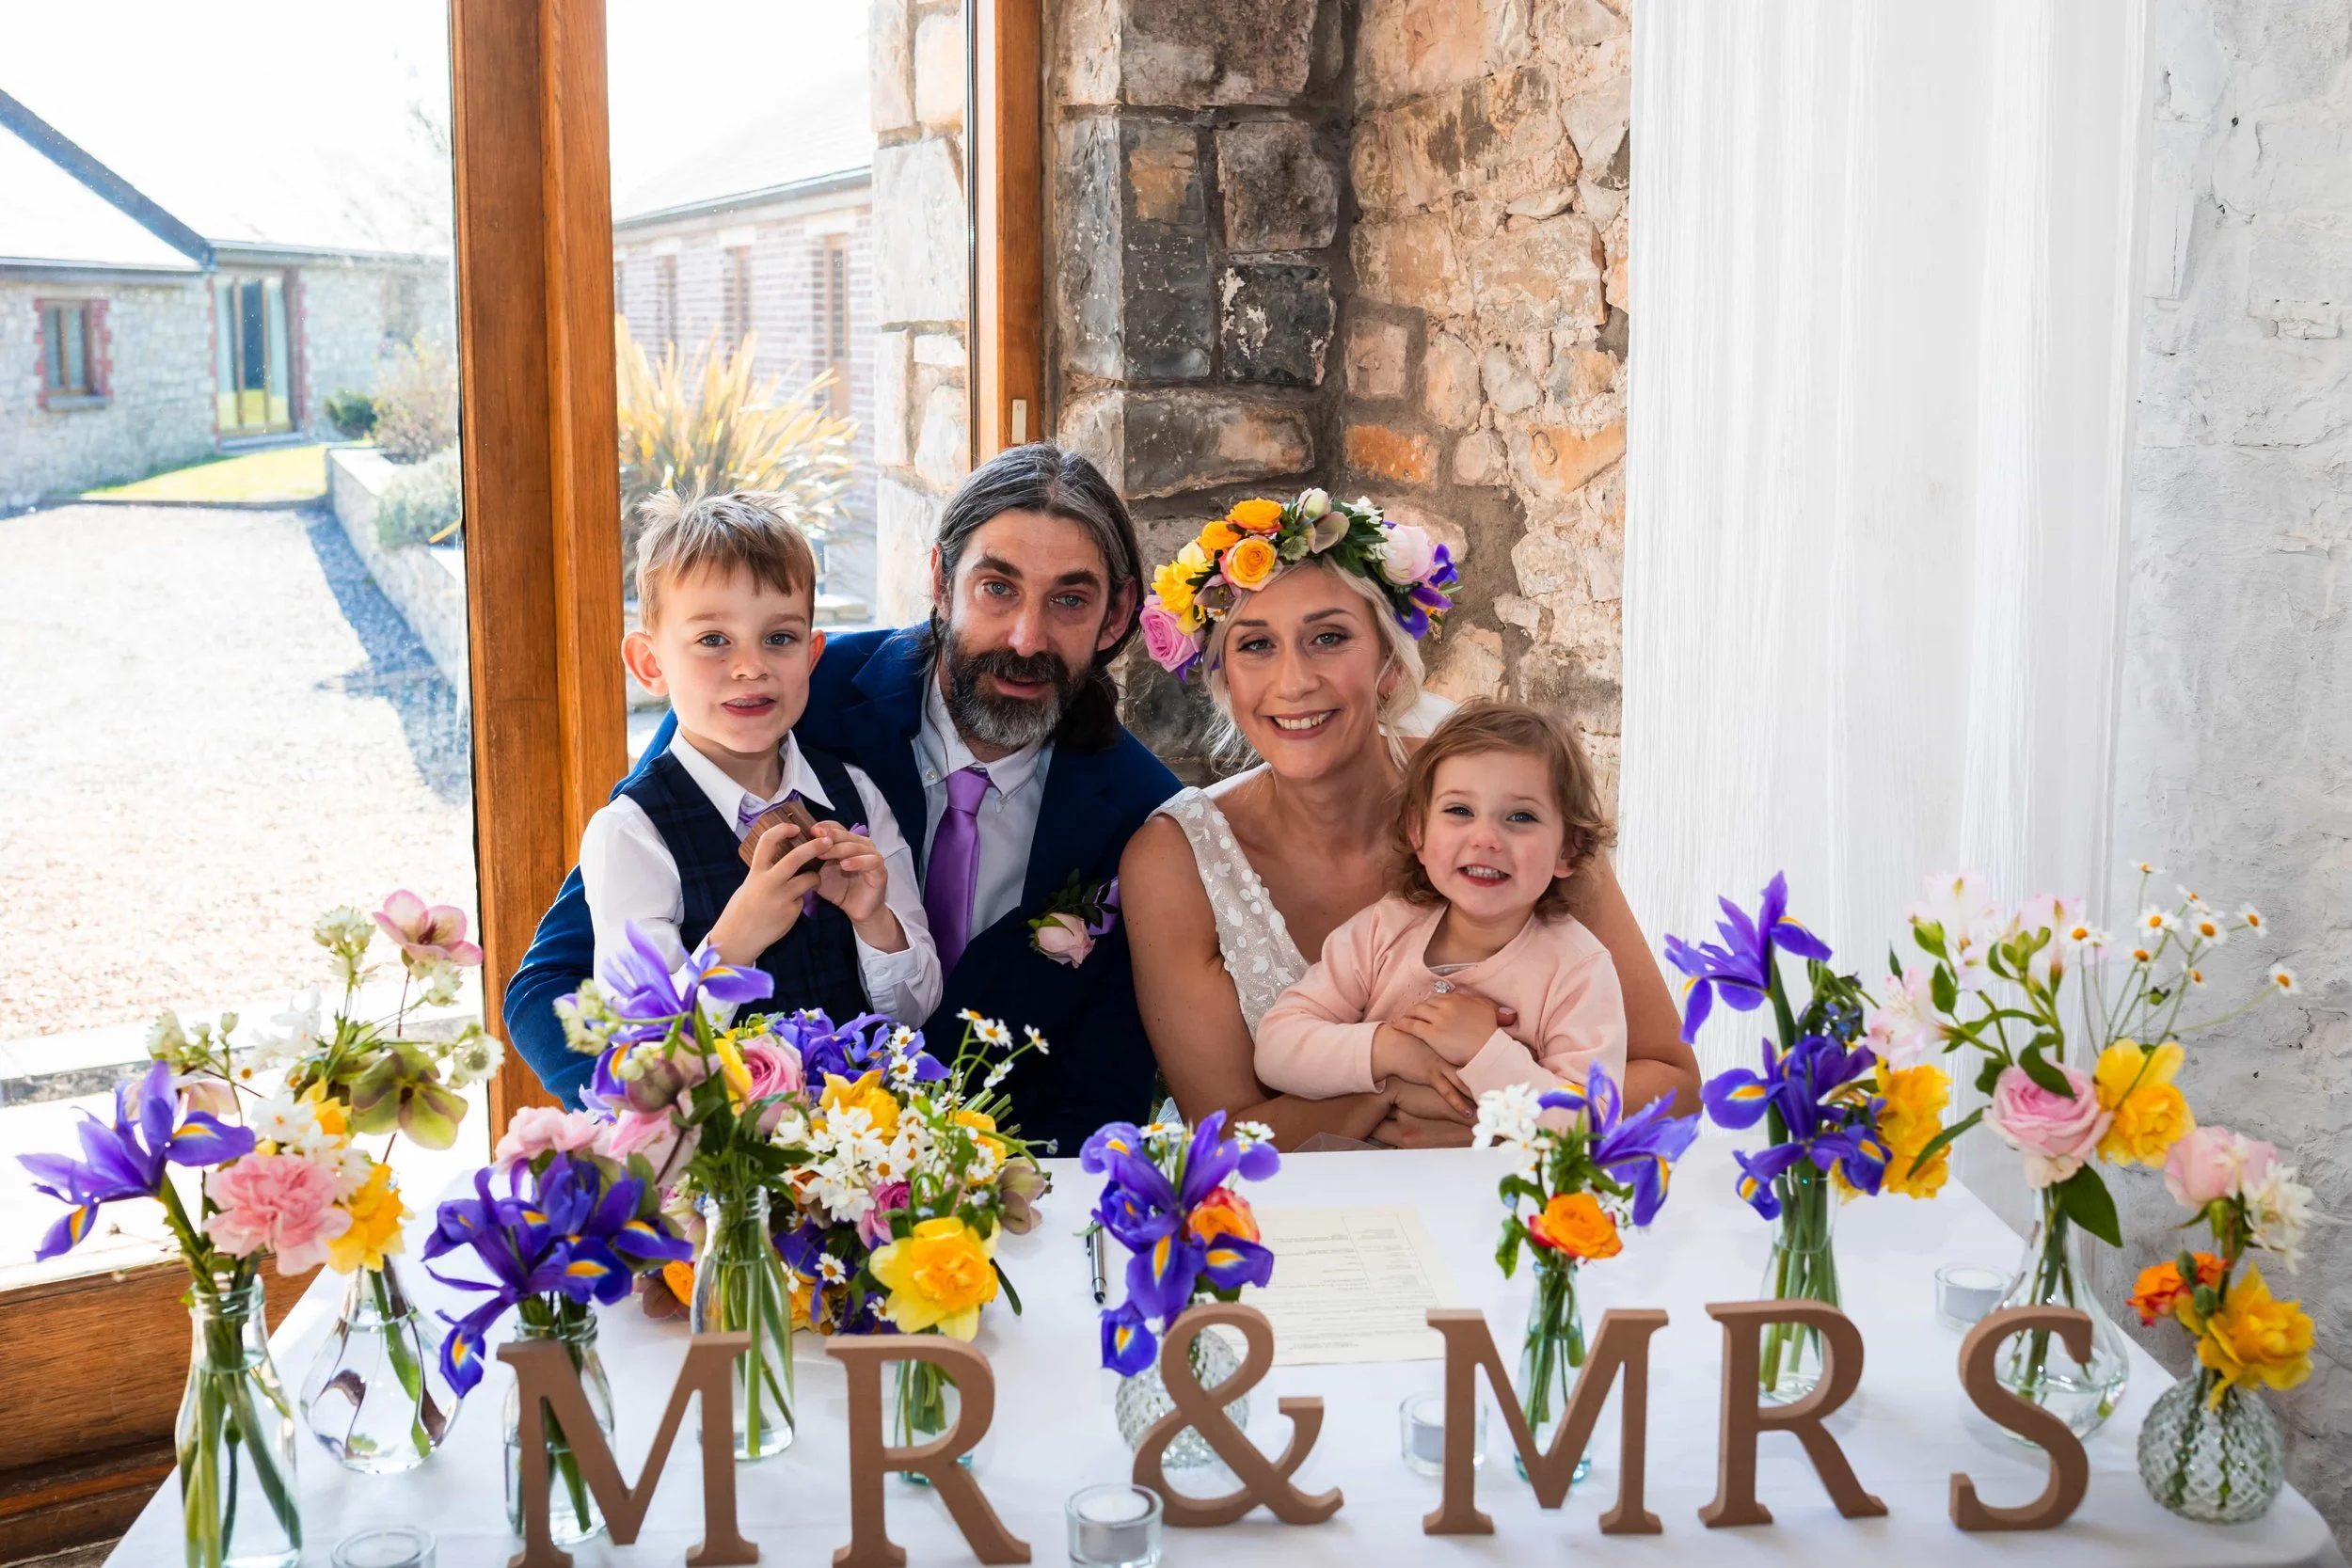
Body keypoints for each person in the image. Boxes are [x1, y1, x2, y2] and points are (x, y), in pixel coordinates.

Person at [506, 446, 1181, 1157]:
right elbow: (549, 983)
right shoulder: (768, 699)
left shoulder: (1145, 816)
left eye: (1070, 600)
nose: (1025, 637)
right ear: (941, 581)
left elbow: (1104, 1092)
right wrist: (674, 1133)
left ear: (1116, 617)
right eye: (997, 588)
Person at [1120, 489, 1699, 1150]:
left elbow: (1673, 1082)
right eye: (1256, 645)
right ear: (1224, 675)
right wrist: (1395, 1084)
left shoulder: (1515, 805)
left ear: (1389, 667)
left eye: (1329, 637)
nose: (1293, 681)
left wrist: (1505, 1105)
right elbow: (1225, 1136)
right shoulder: (1177, 860)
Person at [575, 490, 938, 1025]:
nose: (750, 667)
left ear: (812, 657)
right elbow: (642, 1052)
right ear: (650, 664)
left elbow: (917, 1012)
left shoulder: (857, 794)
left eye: (779, 637)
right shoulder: (630, 833)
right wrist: (735, 941)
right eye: (714, 638)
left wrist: (874, 920)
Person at [1255, 701, 1625, 1108]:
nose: (1485, 838)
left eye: (1521, 817)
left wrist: (1485, 1049)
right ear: (1418, 831)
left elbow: (1593, 1125)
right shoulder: (1383, 930)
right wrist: (1388, 1049)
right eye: (1459, 810)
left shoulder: (1577, 970)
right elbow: (1275, 1049)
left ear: (1568, 849)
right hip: (1362, 1168)